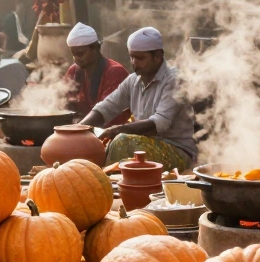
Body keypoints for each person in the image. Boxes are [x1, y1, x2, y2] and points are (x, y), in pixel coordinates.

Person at [80, 27, 196, 170]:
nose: (134, 63)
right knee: (102, 144)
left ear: (158, 55)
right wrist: (79, 129)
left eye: (140, 58)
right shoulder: (132, 81)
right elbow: (105, 108)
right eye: (132, 57)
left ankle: (105, 181)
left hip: (178, 152)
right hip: (143, 145)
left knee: (122, 141)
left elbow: (160, 122)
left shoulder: (175, 80)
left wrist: (116, 130)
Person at [64, 22, 129, 121]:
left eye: (80, 54)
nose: (76, 58)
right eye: (74, 54)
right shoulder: (73, 71)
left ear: (96, 48)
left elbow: (108, 113)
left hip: (111, 128)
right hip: (82, 126)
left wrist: (80, 126)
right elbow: (61, 100)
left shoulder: (115, 72)